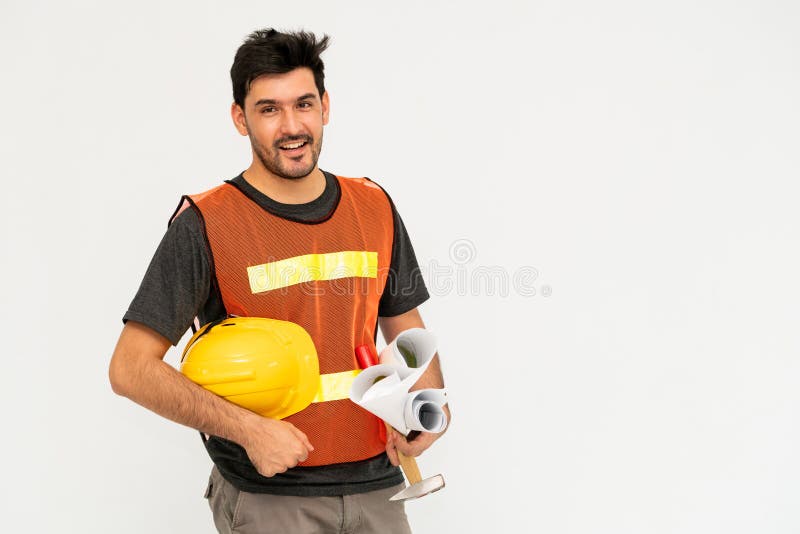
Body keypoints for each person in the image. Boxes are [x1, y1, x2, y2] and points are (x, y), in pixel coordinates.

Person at [108, 28, 449, 533]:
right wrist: (247, 430)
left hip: (380, 486)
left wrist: (429, 405)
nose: (292, 126)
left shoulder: (373, 205)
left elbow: (406, 326)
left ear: (326, 106)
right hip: (271, 499)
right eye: (269, 109)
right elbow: (130, 368)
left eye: (304, 104)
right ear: (239, 118)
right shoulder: (206, 223)